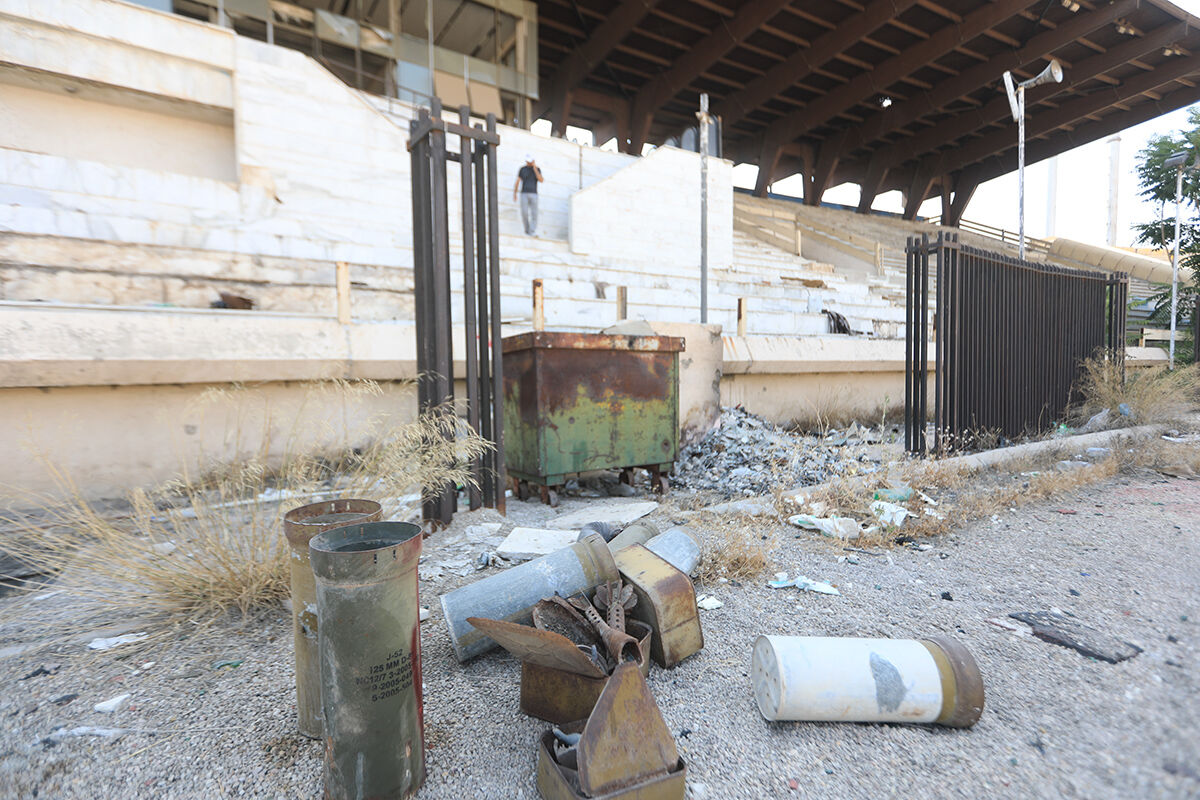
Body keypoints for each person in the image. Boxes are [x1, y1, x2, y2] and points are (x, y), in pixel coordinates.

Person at [513, 154, 543, 235]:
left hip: (534, 194)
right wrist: (515, 193)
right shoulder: (522, 169)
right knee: (524, 213)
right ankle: (527, 230)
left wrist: (534, 168)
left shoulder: (537, 169)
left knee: (534, 213)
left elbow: (541, 180)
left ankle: (532, 231)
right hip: (524, 193)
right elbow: (517, 181)